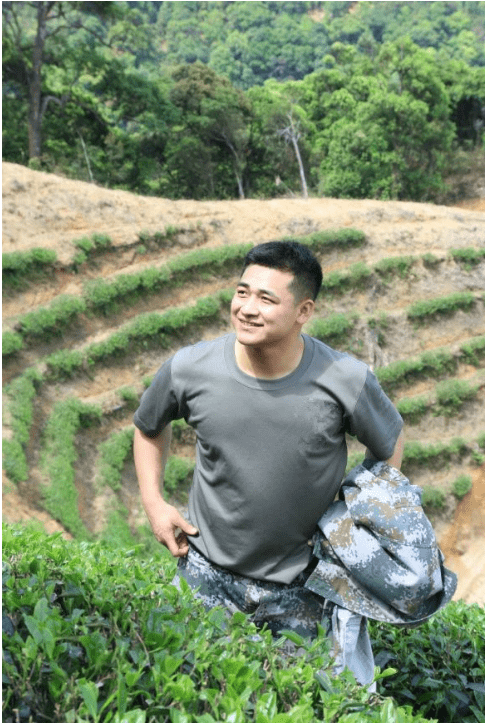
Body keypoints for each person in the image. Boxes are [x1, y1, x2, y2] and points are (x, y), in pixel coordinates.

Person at [133, 240, 404, 686]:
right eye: (242, 292)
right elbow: (148, 428)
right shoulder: (191, 368)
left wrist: (362, 517)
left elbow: (389, 443)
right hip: (204, 574)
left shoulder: (345, 379)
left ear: (303, 311)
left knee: (302, 704)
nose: (247, 308)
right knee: (183, 693)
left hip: (303, 588)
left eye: (266, 298)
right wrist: (153, 502)